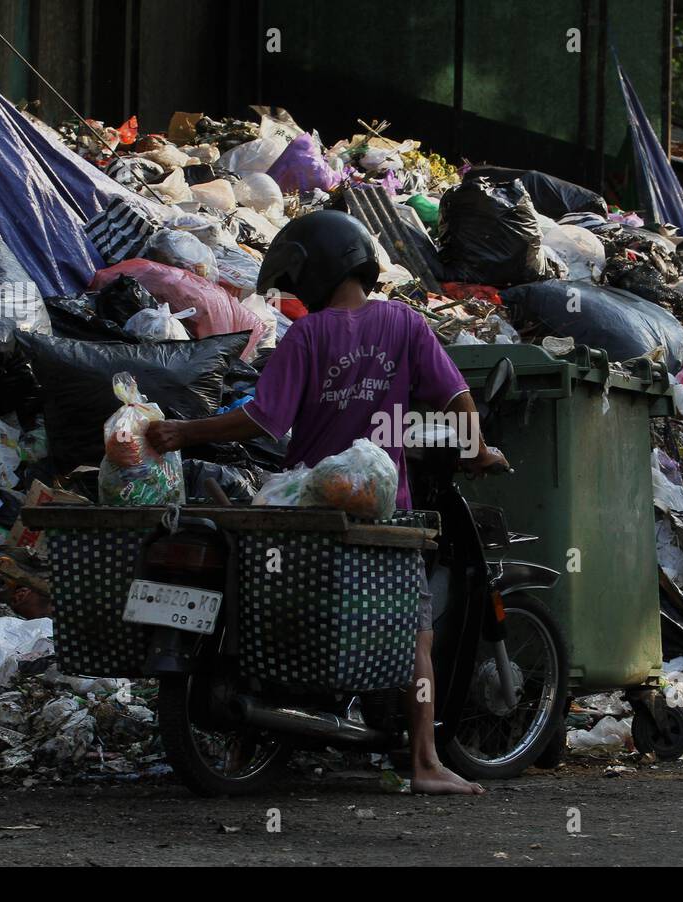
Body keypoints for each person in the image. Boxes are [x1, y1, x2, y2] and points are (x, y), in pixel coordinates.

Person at [146, 211, 507, 796]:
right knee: (414, 634)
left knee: (275, 611)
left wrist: (183, 432)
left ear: (315, 270)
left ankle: (253, 739)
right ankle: (423, 762)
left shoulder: (307, 336)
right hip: (378, 511)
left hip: (305, 510)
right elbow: (458, 394)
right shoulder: (406, 324)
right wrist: (480, 451)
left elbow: (262, 420)